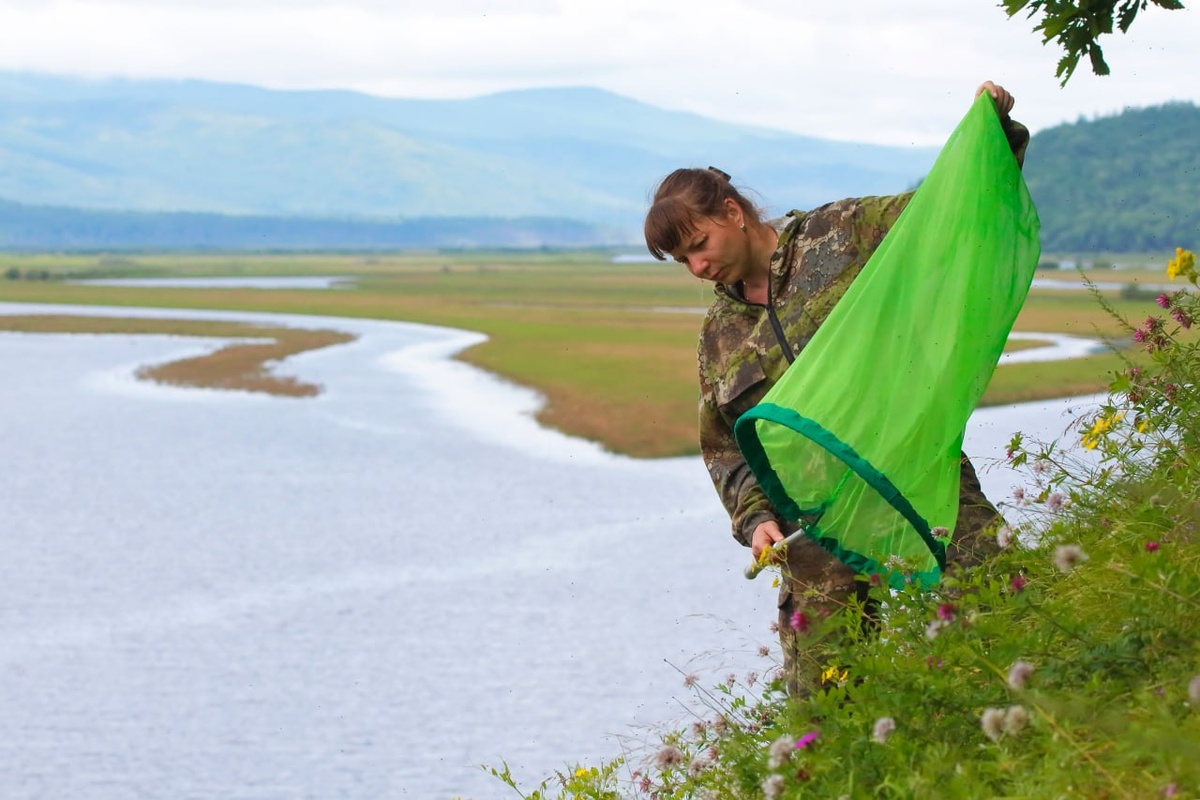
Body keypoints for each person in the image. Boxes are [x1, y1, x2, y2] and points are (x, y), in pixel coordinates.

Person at [643, 81, 1028, 696]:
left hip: (913, 479)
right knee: (825, 705)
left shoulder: (839, 234)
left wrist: (993, 134)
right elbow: (725, 450)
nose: (697, 268)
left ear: (732, 214)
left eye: (699, 246)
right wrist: (757, 519)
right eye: (681, 261)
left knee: (1010, 617)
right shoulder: (718, 337)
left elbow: (943, 213)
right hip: (813, 527)